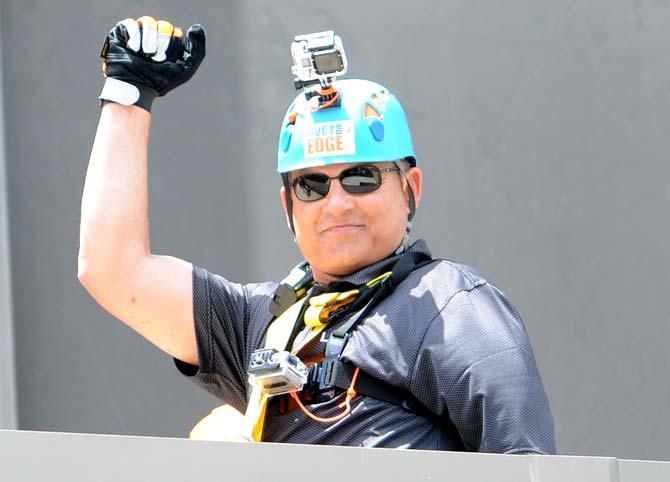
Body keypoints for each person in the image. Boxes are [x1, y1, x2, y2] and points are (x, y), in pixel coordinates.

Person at [79, 16, 556, 453]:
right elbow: (113, 271)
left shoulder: (451, 306)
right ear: (288, 206)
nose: (338, 202)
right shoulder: (259, 323)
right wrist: (129, 92)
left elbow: (528, 465)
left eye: (361, 177)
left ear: (410, 189)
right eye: (312, 184)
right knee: (218, 437)